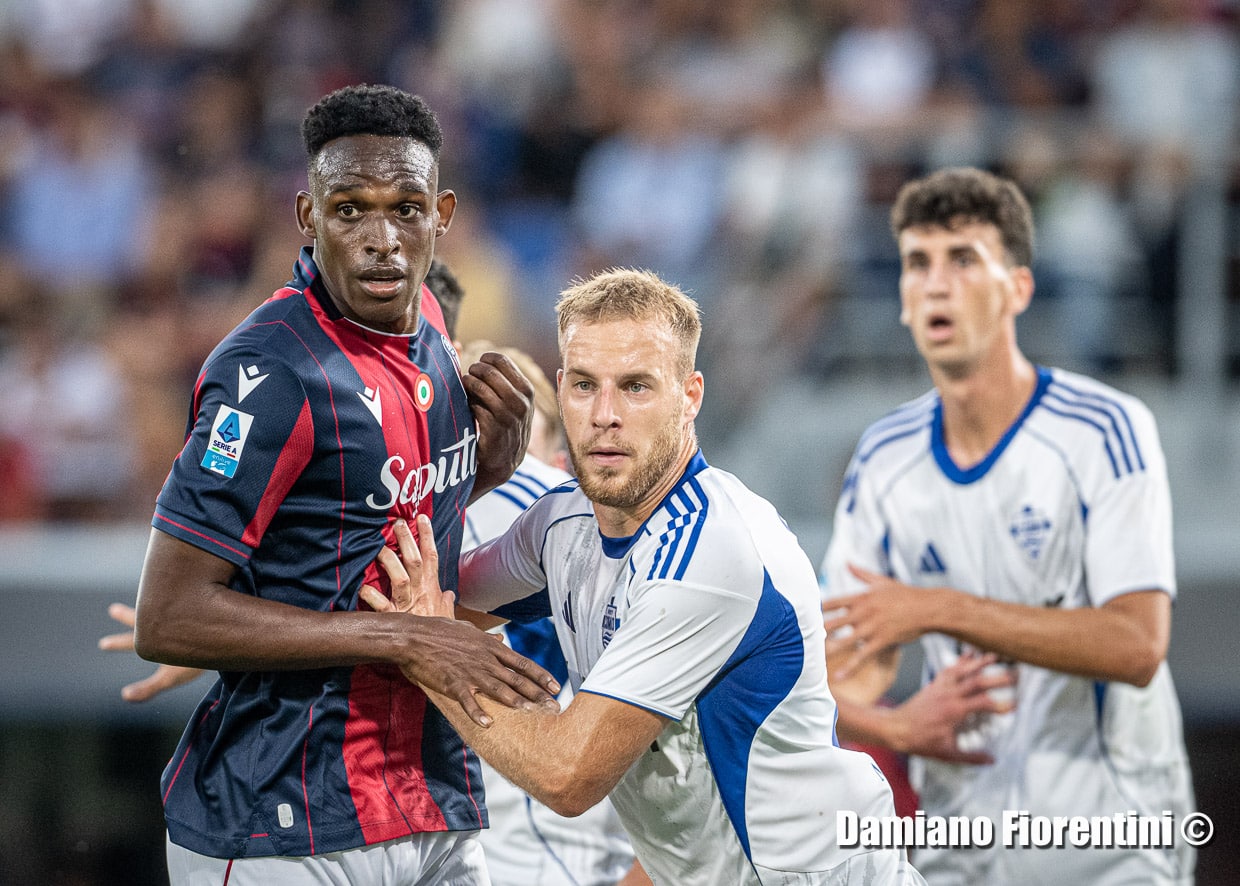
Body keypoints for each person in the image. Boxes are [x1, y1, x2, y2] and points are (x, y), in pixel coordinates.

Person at [131, 83, 560, 885]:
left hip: (430, 796)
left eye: (406, 210)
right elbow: (170, 614)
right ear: (308, 216)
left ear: (442, 215)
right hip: (281, 818)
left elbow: (366, 522)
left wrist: (489, 467)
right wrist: (404, 637)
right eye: (350, 210)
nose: (381, 241)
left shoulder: (432, 327)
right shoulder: (269, 372)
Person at [371, 268, 926, 885]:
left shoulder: (711, 552)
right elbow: (434, 605)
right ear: (561, 386)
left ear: (690, 396)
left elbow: (566, 775)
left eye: (635, 386)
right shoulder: (561, 522)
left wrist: (429, 653)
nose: (604, 414)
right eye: (585, 385)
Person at [819, 166, 1195, 884]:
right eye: (918, 263)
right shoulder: (883, 458)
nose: (936, 284)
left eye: (963, 260)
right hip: (957, 846)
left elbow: (1138, 645)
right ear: (902, 298)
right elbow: (832, 677)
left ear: (1018, 289)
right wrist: (895, 727)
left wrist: (938, 608)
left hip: (1109, 846)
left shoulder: (1104, 431)